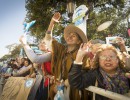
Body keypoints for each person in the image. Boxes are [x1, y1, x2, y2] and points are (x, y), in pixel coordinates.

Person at [19, 12, 90, 100]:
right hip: (57, 90)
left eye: (73, 36)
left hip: (75, 93)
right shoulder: (60, 50)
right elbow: (48, 39)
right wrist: (52, 22)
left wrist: (64, 84)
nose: (69, 37)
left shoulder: (83, 54)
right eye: (68, 35)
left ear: (79, 41)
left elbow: (83, 73)